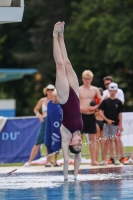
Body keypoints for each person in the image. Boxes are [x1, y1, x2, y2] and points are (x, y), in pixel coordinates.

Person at [53, 21, 83, 181]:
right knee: (68, 63)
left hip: (65, 98)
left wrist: (68, 178)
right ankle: (62, 35)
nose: (79, 142)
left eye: (76, 145)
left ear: (71, 143)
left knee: (60, 65)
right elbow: (78, 157)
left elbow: (67, 159)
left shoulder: (66, 135)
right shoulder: (80, 131)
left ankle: (54, 35)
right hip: (76, 95)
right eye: (80, 145)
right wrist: (77, 177)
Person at [24, 84, 55, 167]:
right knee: (38, 141)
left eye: (52, 90)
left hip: (52, 122)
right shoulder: (43, 100)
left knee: (50, 142)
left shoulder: (56, 100)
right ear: (46, 91)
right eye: (48, 90)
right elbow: (35, 109)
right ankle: (29, 161)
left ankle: (48, 161)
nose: (50, 91)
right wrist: (39, 115)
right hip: (44, 121)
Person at [79, 70, 102, 165]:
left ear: (91, 79)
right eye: (85, 79)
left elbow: (101, 101)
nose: (87, 80)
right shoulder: (79, 89)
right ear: (82, 79)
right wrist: (81, 108)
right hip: (81, 115)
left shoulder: (95, 90)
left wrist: (94, 107)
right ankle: (78, 159)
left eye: (89, 79)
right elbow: (73, 102)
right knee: (79, 138)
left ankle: (93, 160)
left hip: (91, 115)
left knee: (92, 138)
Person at [103, 76, 127, 164]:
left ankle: (122, 156)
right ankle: (112, 157)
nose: (107, 85)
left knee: (118, 139)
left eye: (108, 84)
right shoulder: (105, 93)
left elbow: (120, 104)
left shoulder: (119, 91)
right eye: (106, 84)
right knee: (109, 139)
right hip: (108, 119)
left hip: (116, 118)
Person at [99, 82, 124, 165]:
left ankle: (117, 158)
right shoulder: (105, 101)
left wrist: (121, 125)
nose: (112, 92)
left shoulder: (119, 102)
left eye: (114, 91)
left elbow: (120, 114)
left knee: (116, 141)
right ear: (109, 91)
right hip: (106, 124)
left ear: (116, 91)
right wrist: (107, 119)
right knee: (106, 141)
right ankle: (104, 159)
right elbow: (100, 112)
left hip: (115, 124)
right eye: (111, 90)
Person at [44, 90, 62, 167]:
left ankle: (56, 161)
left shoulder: (61, 105)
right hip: (50, 127)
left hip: (58, 127)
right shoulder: (49, 104)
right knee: (49, 143)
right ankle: (48, 161)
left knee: (57, 143)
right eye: (55, 96)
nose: (56, 98)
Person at [95, 88, 105, 162]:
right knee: (98, 142)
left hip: (101, 121)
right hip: (98, 121)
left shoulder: (104, 102)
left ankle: (102, 159)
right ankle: (97, 159)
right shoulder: (95, 102)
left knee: (101, 142)